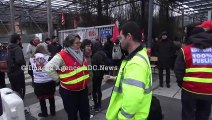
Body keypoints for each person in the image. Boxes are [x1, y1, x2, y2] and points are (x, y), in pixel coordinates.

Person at [105, 21, 152, 120]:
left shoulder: (136, 63)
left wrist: (122, 118)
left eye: (121, 38)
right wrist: (115, 79)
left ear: (129, 37)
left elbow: (133, 100)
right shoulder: (139, 56)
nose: (120, 41)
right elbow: (134, 83)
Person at [45, 34, 90, 120]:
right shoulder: (61, 55)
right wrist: (58, 79)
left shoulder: (80, 53)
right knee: (72, 115)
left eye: (79, 42)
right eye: (77, 43)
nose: (79, 45)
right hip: (69, 93)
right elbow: (48, 68)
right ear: (69, 44)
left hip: (83, 90)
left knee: (85, 114)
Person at [174, 21, 212, 120]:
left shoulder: (185, 50)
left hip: (189, 90)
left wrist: (182, 84)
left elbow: (178, 70)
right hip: (208, 92)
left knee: (188, 116)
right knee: (203, 116)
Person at [29, 44, 56, 117]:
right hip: (49, 81)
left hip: (38, 82)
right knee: (51, 97)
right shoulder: (49, 57)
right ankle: (53, 111)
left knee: (41, 99)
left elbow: (29, 71)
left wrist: (36, 76)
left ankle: (44, 113)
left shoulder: (32, 59)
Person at [7, 33, 26, 99]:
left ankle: (16, 102)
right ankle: (20, 102)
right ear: (17, 40)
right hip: (18, 72)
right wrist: (24, 62)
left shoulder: (8, 47)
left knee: (14, 89)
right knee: (20, 89)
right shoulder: (17, 48)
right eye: (20, 39)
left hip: (10, 72)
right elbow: (19, 60)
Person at [91, 41, 108, 112]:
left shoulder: (95, 55)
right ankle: (99, 104)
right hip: (101, 74)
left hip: (95, 75)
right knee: (99, 90)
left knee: (94, 91)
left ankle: (96, 105)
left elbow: (94, 67)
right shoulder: (103, 53)